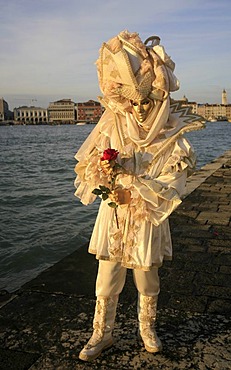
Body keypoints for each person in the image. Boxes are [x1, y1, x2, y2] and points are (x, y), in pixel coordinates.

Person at [74, 30, 204, 362]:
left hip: (148, 214)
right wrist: (105, 172)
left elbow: (175, 179)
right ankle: (102, 333)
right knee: (107, 276)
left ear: (159, 99)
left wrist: (136, 183)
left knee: (147, 275)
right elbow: (91, 164)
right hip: (115, 212)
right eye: (135, 101)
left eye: (147, 101)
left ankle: (147, 328)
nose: (141, 108)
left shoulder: (171, 133)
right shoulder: (112, 125)